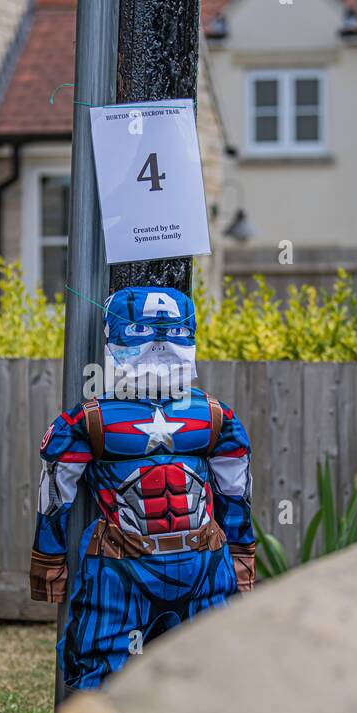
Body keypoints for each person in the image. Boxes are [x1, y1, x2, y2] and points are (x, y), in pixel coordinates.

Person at [29, 286, 255, 691]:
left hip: (202, 562)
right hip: (121, 564)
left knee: (217, 668)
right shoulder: (90, 421)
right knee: (98, 669)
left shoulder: (215, 417)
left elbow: (236, 492)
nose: (160, 342)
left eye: (171, 332)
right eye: (144, 330)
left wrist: (241, 554)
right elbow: (54, 497)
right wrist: (48, 560)